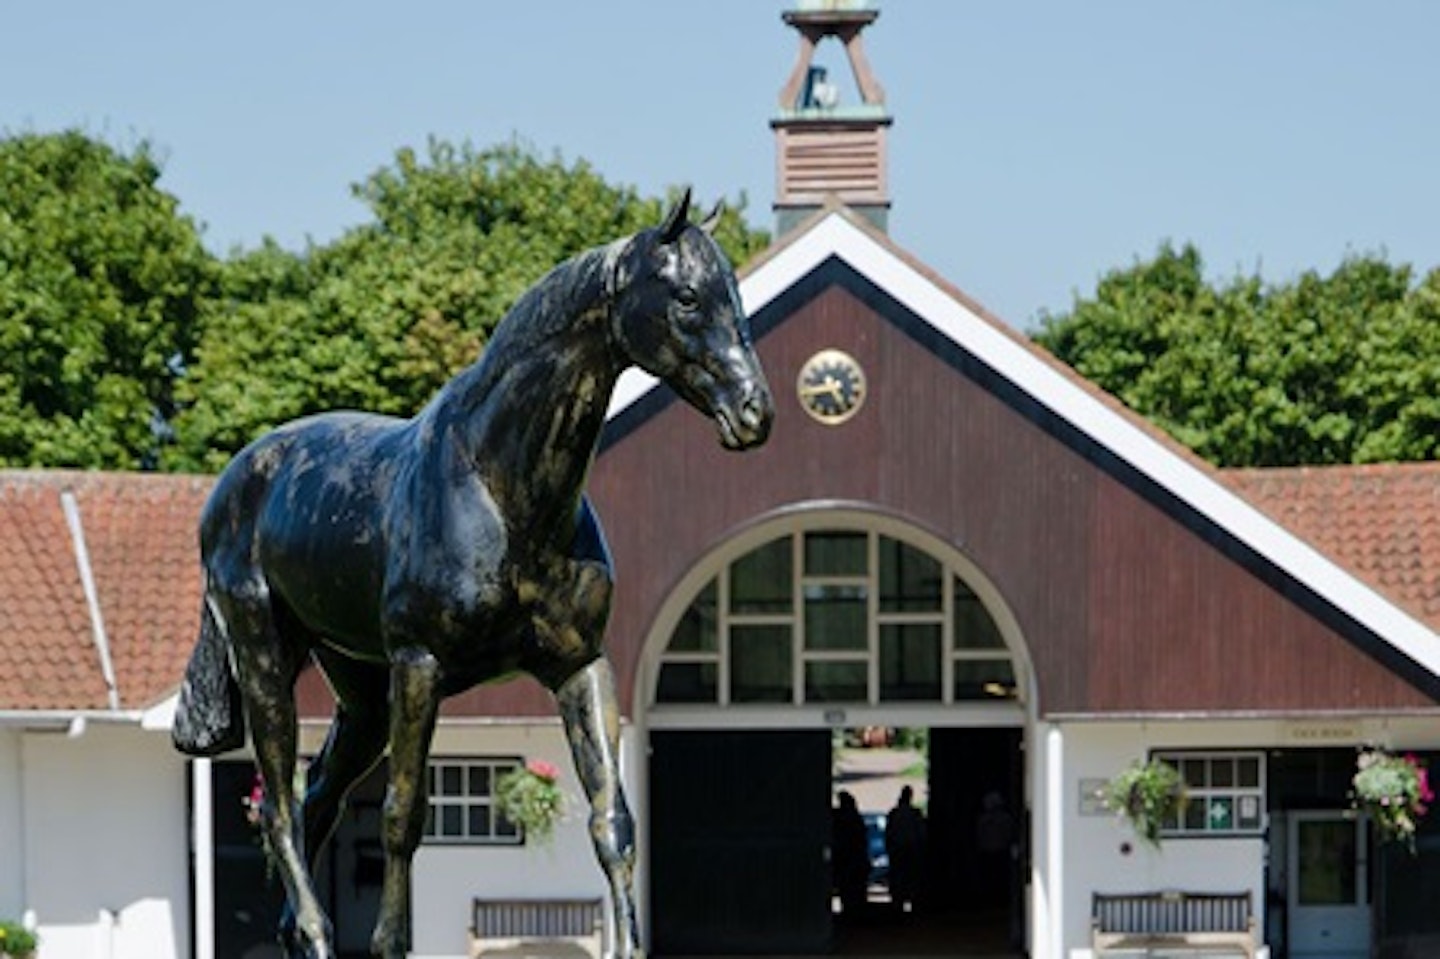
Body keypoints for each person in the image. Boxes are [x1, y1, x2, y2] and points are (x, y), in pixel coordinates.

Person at [884, 785, 926, 914]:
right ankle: (913, 903)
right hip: (911, 850)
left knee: (899, 878)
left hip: (898, 850)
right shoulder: (915, 814)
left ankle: (898, 904)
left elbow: (889, 833)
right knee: (911, 878)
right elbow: (922, 833)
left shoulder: (894, 813)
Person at [831, 790, 870, 916]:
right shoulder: (855, 819)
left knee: (847, 889)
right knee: (854, 890)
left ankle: (850, 912)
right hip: (853, 859)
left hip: (846, 859)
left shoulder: (840, 818)